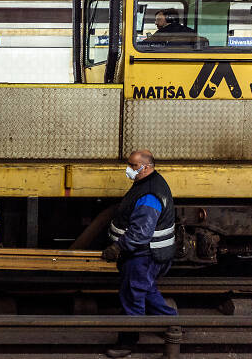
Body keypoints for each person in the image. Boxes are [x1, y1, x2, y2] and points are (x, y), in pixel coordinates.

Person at [101, 150, 178, 358]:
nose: (129, 169)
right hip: (149, 253)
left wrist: (118, 248)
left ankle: (127, 343)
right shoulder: (148, 184)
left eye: (133, 166)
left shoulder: (149, 194)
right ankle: (173, 323)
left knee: (131, 295)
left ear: (146, 166)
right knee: (147, 290)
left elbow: (140, 233)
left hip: (143, 255)